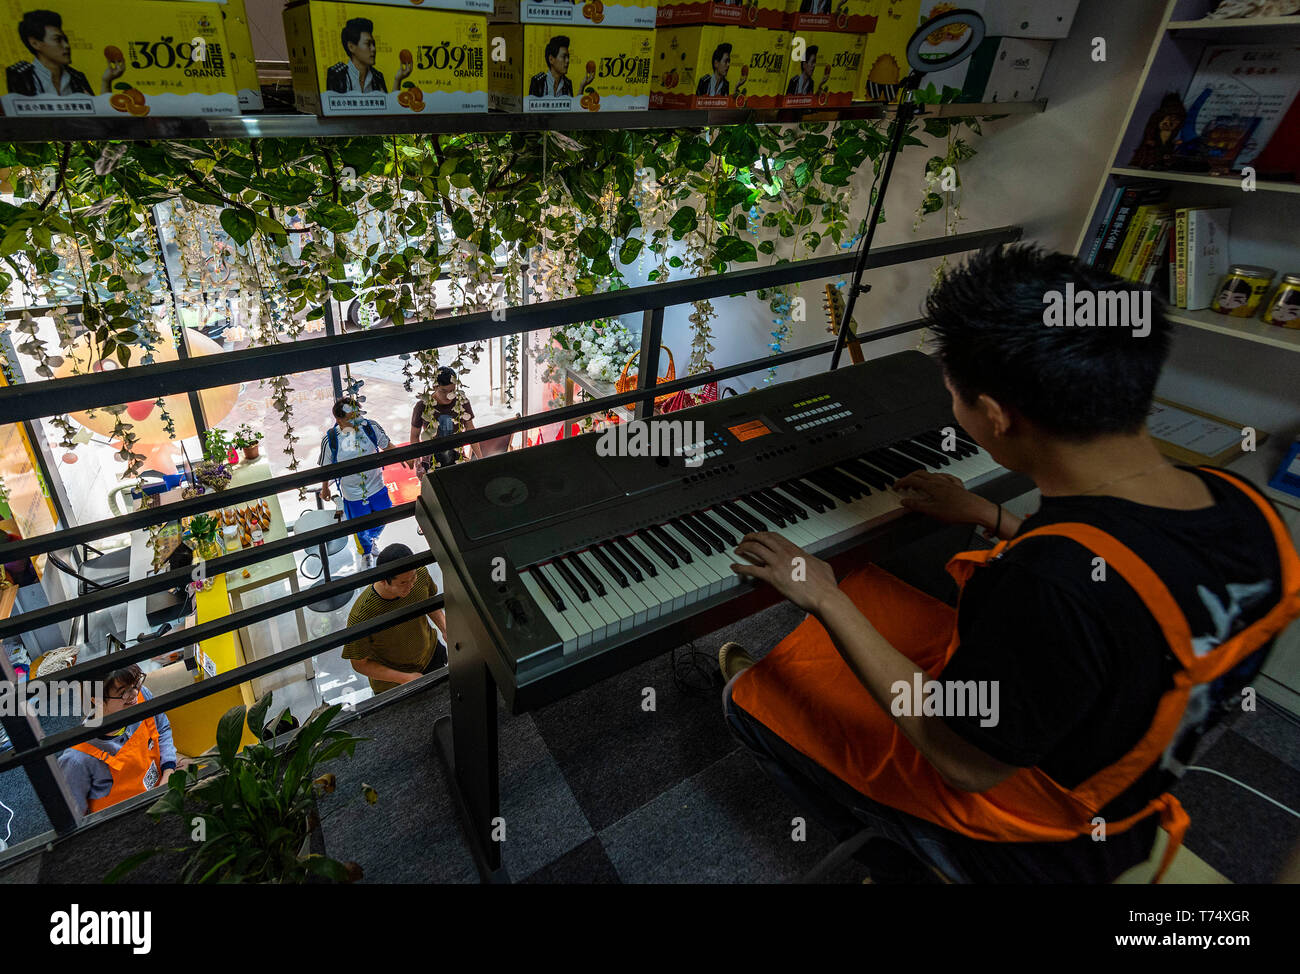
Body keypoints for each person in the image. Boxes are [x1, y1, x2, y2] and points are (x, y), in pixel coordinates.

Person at [720, 244, 1300, 883]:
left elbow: (963, 761)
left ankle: (908, 859)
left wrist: (823, 595)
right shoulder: (1248, 508)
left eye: (954, 393)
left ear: (995, 415)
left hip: (1023, 827)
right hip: (1112, 749)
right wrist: (988, 514)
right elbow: (1130, 580)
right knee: (876, 590)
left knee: (753, 696)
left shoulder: (1046, 585)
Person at [58, 665, 177, 815]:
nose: (134, 694)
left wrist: (168, 771)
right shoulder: (76, 759)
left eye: (135, 685)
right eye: (123, 693)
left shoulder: (141, 698)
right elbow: (73, 816)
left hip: (163, 790)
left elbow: (163, 728)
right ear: (98, 701)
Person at [342, 543, 448, 694]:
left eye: (413, 578)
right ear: (383, 580)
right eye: (403, 583)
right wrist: (405, 678)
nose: (411, 585)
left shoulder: (419, 574)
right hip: (393, 683)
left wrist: (444, 627)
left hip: (431, 655)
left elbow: (429, 600)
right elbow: (360, 664)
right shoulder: (362, 614)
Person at [319, 396, 409, 567]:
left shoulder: (370, 427)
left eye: (357, 415)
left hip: (376, 485)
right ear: (338, 419)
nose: (355, 421)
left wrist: (403, 456)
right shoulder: (330, 440)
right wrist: (325, 489)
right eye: (349, 418)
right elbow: (325, 467)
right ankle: (366, 552)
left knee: (385, 513)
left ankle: (373, 537)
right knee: (361, 528)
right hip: (352, 493)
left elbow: (387, 445)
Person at [7, 9, 119, 97]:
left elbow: (98, 115)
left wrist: (106, 81)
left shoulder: (76, 77)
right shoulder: (21, 76)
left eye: (66, 40)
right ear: (35, 43)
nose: (67, 46)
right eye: (57, 39)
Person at [410, 367, 482, 475]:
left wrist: (480, 458)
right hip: (430, 462)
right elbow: (414, 435)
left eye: (452, 391)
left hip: (457, 458)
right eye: (443, 391)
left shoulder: (462, 402)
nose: (448, 396)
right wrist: (417, 463)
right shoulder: (422, 406)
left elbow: (470, 429)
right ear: (435, 386)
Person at [326, 17, 409, 94]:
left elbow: (387, 107)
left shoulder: (377, 77)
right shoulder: (337, 75)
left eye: (373, 44)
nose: (373, 49)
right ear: (351, 47)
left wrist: (397, 80)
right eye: (368, 44)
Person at [528, 35, 594, 99]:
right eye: (564, 57)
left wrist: (582, 86)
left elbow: (572, 108)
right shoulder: (538, 82)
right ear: (551, 59)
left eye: (568, 57)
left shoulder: (567, 83)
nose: (567, 61)